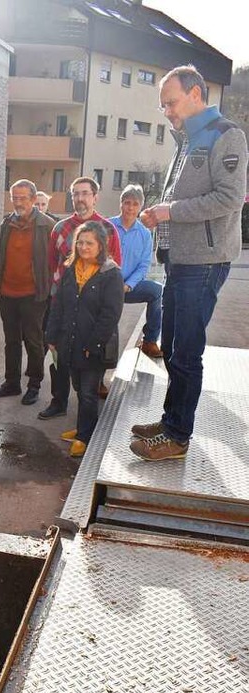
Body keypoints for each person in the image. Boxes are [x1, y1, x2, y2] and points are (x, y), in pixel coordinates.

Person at [133, 64, 247, 461]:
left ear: (196, 94)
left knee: (186, 352)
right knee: (171, 346)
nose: (166, 111)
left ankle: (177, 436)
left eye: (171, 102)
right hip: (178, 260)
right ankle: (169, 422)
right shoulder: (185, 140)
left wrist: (169, 211)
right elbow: (178, 198)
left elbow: (229, 199)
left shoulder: (226, 135)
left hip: (204, 262)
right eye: (163, 105)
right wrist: (158, 213)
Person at [39, 176, 122, 420]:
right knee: (59, 356)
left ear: (95, 197)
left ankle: (86, 418)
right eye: (75, 193)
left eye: (85, 193)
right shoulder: (59, 228)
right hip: (62, 303)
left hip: (93, 308)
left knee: (88, 360)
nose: (80, 198)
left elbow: (115, 266)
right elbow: (53, 265)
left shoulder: (108, 230)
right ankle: (58, 400)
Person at [46, 222, 124, 457]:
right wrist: (51, 336)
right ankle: (83, 427)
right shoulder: (71, 268)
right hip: (70, 342)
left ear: (101, 245)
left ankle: (85, 436)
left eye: (89, 243)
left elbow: (111, 314)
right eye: (80, 242)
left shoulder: (110, 274)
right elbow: (58, 304)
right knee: (78, 388)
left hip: (92, 346)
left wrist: (94, 344)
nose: (83, 247)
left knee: (89, 392)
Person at [0, 179, 54, 406]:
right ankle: (12, 382)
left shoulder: (47, 225)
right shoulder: (6, 224)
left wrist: (49, 291)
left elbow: (54, 262)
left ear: (34, 199)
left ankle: (34, 385)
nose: (18, 202)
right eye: (14, 198)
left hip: (34, 295)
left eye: (22, 198)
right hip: (7, 293)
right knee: (11, 341)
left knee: (33, 340)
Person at [110, 184, 163, 359]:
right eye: (127, 203)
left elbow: (143, 265)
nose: (130, 208)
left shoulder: (145, 234)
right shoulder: (107, 227)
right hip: (106, 288)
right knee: (107, 327)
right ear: (120, 204)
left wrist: (128, 285)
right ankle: (98, 375)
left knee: (157, 291)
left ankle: (149, 341)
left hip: (128, 288)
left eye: (134, 204)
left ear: (140, 207)